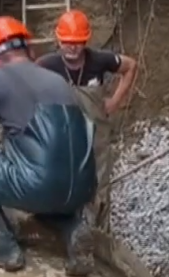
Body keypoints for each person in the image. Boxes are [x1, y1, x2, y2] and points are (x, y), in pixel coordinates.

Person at [0, 16, 98, 277]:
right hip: (82, 189)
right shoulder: (58, 80)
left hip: (39, 184)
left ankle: (3, 247)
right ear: (30, 49)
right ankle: (72, 228)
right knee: (45, 183)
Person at [36, 9, 138, 233]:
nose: (72, 47)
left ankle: (99, 235)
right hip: (63, 139)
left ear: (87, 39)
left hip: (96, 140)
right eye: (67, 42)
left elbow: (130, 66)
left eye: (78, 42)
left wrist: (115, 101)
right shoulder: (46, 65)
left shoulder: (99, 60)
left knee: (98, 188)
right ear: (58, 39)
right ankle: (61, 233)